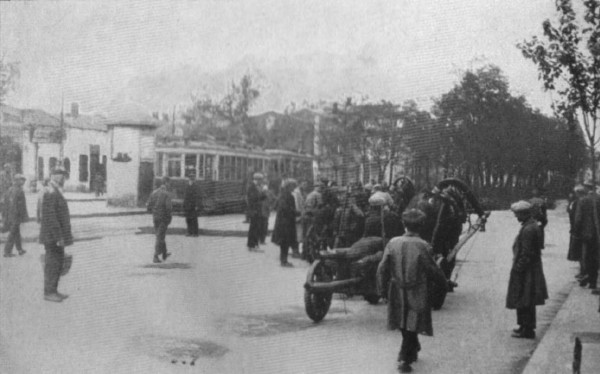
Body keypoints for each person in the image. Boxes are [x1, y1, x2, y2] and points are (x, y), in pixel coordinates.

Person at [376, 209, 447, 373]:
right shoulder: (423, 245)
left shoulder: (393, 242)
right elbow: (433, 270)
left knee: (402, 319)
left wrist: (382, 290)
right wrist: (443, 284)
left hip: (396, 288)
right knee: (412, 320)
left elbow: (382, 268)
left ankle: (411, 348)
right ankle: (404, 358)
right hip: (417, 289)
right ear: (421, 226)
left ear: (404, 224)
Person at [506, 200, 548, 339]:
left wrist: (519, 268)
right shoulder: (530, 225)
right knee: (524, 299)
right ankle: (524, 326)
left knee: (525, 299)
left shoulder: (529, 229)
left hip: (526, 270)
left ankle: (528, 329)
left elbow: (527, 253)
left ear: (524, 214)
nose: (516, 217)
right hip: (529, 269)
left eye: (517, 214)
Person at [39, 167, 73, 302]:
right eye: (60, 175)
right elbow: (51, 217)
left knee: (57, 262)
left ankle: (53, 290)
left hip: (55, 235)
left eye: (64, 175)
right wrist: (59, 236)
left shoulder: (55, 191)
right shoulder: (50, 192)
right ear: (52, 176)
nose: (63, 178)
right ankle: (49, 292)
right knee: (52, 263)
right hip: (52, 236)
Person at [573, 181, 600, 290]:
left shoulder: (583, 200)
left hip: (586, 234)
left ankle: (589, 279)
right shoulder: (598, 198)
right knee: (596, 257)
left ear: (586, 188)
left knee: (587, 257)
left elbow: (578, 219)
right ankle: (592, 280)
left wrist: (576, 233)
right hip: (597, 234)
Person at [271, 179, 298, 267]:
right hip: (285, 223)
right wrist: (296, 212)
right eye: (292, 186)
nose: (294, 188)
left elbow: (276, 207)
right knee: (285, 242)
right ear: (288, 186)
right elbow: (286, 209)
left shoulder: (283, 195)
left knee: (284, 242)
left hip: (283, 222)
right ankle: (284, 261)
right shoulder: (288, 196)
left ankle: (284, 260)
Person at [147, 176, 173, 263]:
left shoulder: (154, 193)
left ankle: (164, 253)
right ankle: (155, 256)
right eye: (169, 183)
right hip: (163, 218)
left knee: (160, 235)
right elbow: (168, 208)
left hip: (155, 217)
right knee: (160, 236)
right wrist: (169, 218)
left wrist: (154, 211)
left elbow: (149, 205)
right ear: (166, 183)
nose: (170, 185)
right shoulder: (167, 194)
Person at [3, 174, 28, 257]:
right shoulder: (19, 191)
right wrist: (24, 217)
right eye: (22, 180)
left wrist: (5, 216)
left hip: (10, 215)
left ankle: (20, 249)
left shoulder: (9, 190)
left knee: (16, 232)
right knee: (13, 233)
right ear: (17, 181)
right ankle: (7, 251)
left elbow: (5, 204)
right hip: (16, 216)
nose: (23, 182)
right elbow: (21, 206)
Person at [567, 185, 586, 278]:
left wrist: (575, 229)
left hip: (578, 231)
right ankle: (583, 270)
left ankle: (583, 271)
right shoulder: (576, 202)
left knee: (580, 252)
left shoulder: (579, 202)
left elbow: (577, 218)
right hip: (578, 229)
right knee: (581, 252)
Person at [246, 172, 266, 251]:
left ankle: (254, 245)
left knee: (256, 228)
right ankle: (252, 245)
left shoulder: (256, 187)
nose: (262, 182)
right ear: (258, 179)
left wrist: (264, 194)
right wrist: (262, 193)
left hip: (257, 210)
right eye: (261, 180)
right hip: (254, 211)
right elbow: (253, 199)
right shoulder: (252, 187)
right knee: (254, 228)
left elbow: (260, 198)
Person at [292, 180, 307, 256]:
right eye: (304, 184)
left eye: (306, 184)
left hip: (301, 215)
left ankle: (296, 250)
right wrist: (299, 214)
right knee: (297, 234)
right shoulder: (296, 193)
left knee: (299, 234)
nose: (305, 186)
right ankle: (295, 251)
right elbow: (296, 204)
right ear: (300, 184)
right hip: (298, 216)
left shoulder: (302, 192)